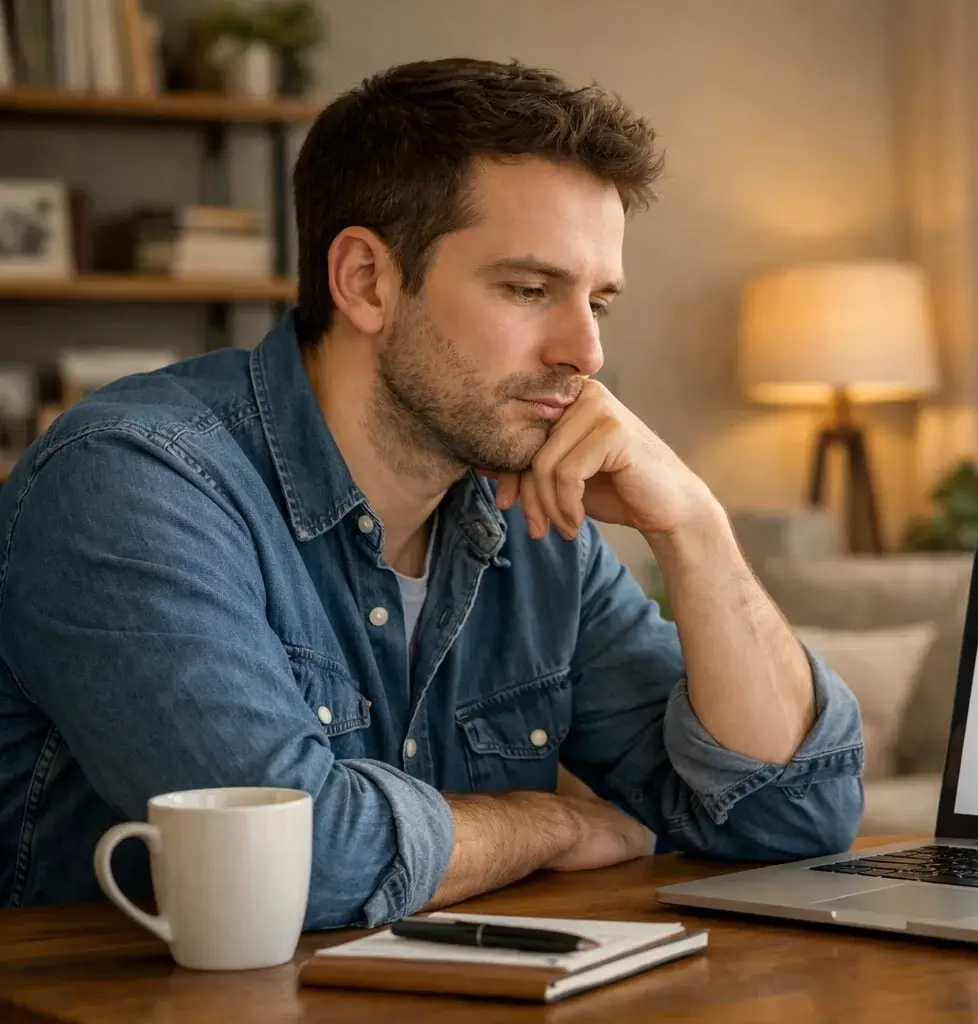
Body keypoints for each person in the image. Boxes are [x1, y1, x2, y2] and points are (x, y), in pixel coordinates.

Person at [0, 58, 864, 929]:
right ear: (367, 281)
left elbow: (790, 816)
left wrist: (696, 529)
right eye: (530, 289)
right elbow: (302, 865)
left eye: (598, 302)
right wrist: (552, 822)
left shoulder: (533, 521)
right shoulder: (133, 485)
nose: (587, 352)